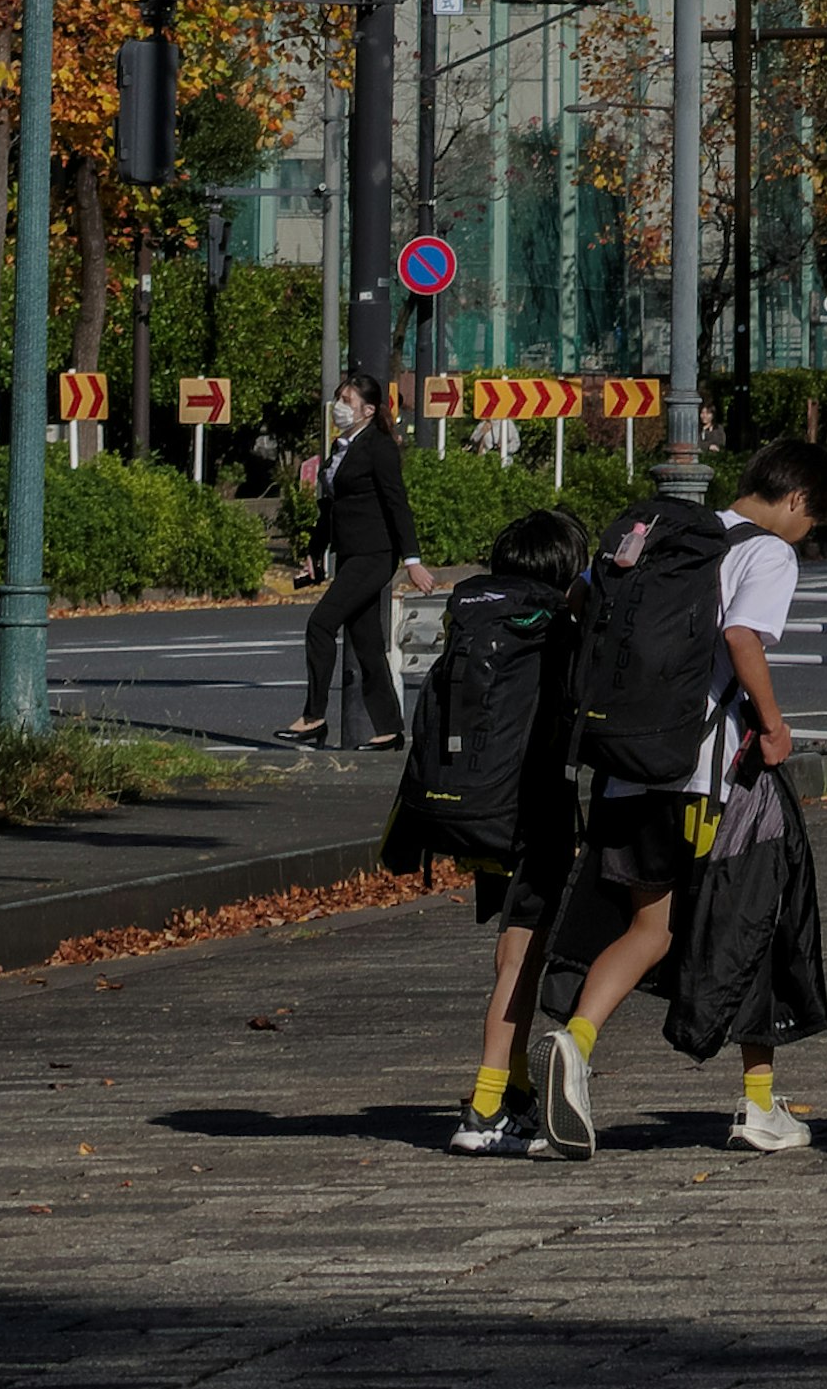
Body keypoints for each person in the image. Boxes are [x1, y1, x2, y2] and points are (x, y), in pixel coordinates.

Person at [540, 435, 827, 1163]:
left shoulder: (664, 534)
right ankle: (760, 1104)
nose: (807, 534)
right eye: (813, 521)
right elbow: (742, 637)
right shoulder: (766, 551)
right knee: (758, 917)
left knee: (652, 928)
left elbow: (581, 597)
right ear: (796, 500)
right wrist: (773, 727)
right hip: (709, 775)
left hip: (626, 764)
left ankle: (574, 1043)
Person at [427, 503, 592, 1154]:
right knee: (524, 950)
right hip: (534, 803)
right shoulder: (554, 623)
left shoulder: (479, 614)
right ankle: (486, 1104)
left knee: (513, 943)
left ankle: (513, 1090)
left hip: (476, 799)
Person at [293, 374, 421, 749]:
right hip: (350, 554)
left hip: (375, 555)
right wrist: (316, 553)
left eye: (347, 400)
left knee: (320, 624)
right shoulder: (341, 446)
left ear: (367, 410)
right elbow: (330, 506)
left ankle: (314, 716)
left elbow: (398, 504)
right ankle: (390, 730)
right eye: (339, 398)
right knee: (366, 643)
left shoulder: (379, 447)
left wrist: (412, 559)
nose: (340, 406)